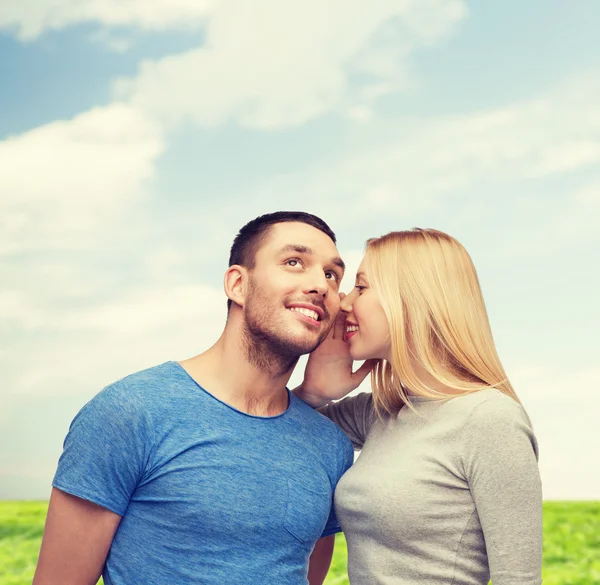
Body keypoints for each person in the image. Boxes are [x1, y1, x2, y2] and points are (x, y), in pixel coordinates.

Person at [33, 211, 357, 585]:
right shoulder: (129, 412)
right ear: (238, 284)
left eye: (332, 274)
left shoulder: (330, 445)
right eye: (294, 262)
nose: (321, 284)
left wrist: (313, 395)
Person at [295, 228, 543, 585]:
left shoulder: (490, 419)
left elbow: (518, 579)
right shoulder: (380, 413)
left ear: (411, 299)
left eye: (362, 287)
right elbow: (277, 433)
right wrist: (314, 393)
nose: (345, 303)